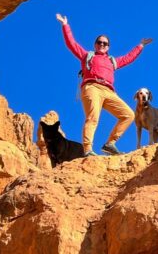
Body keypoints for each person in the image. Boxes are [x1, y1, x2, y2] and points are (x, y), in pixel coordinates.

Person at [56, 14, 152, 156]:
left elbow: (127, 58)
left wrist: (140, 46)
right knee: (93, 117)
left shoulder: (112, 61)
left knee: (128, 115)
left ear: (108, 47)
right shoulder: (87, 56)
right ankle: (88, 150)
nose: (102, 45)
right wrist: (65, 25)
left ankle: (110, 144)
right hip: (92, 87)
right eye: (99, 42)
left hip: (109, 91)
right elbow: (72, 44)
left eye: (105, 43)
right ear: (95, 45)